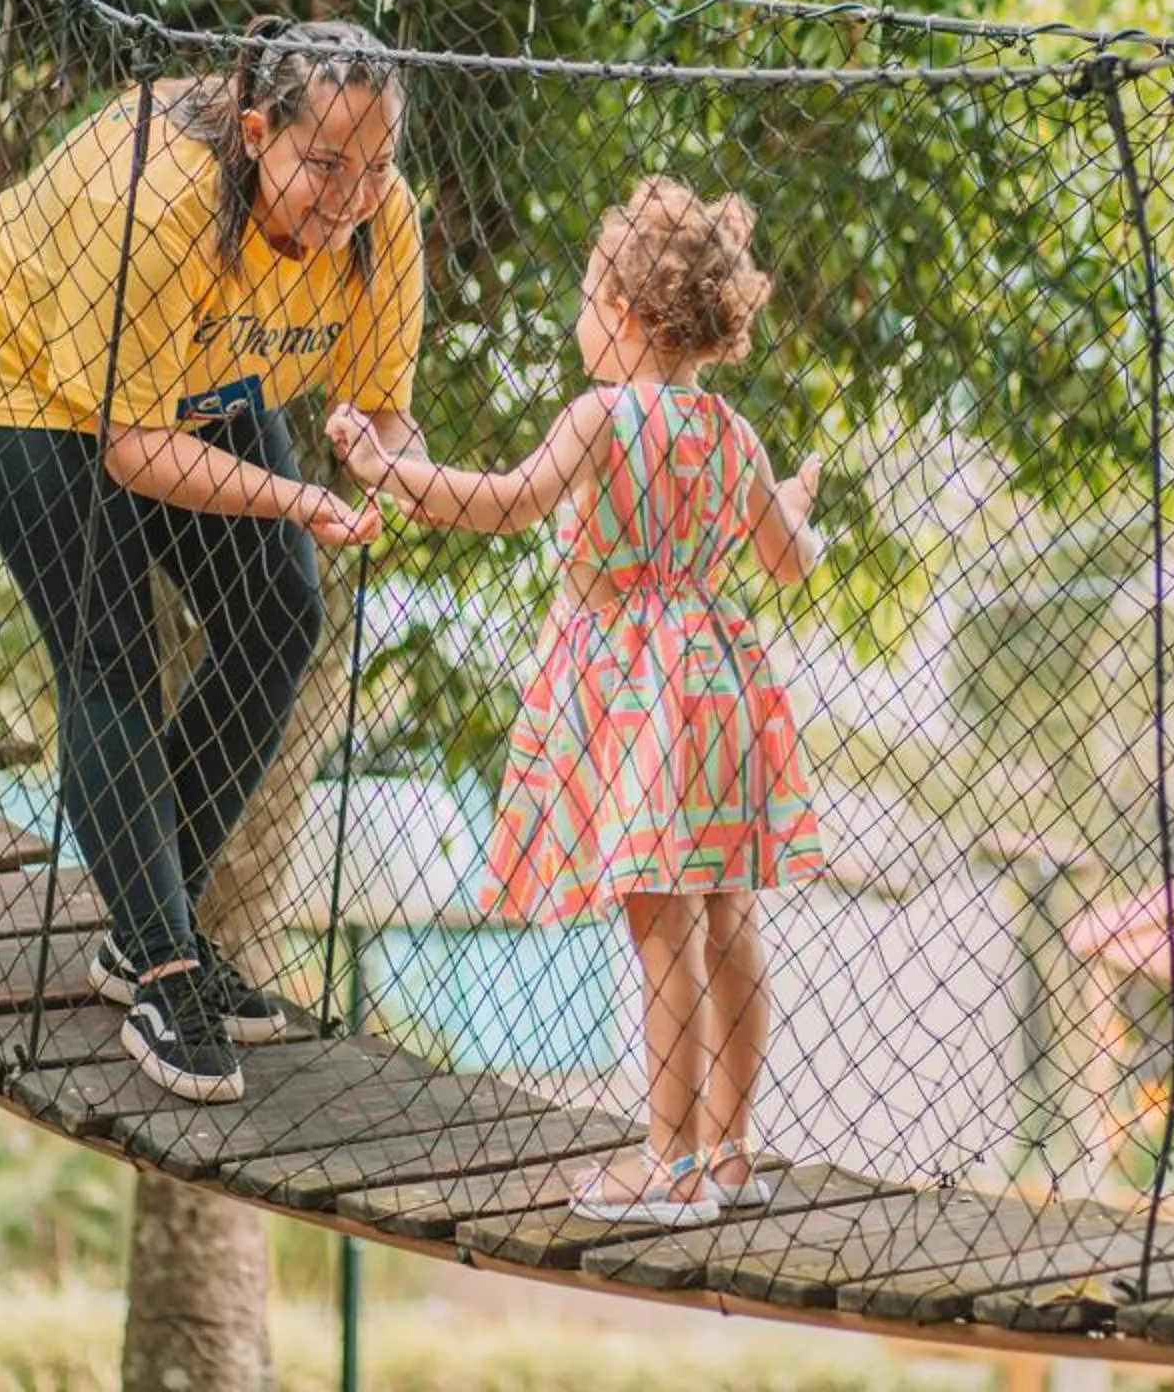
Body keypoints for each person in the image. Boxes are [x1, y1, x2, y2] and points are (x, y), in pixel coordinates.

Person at [0, 17, 426, 1104]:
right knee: (110, 646)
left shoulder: (382, 219)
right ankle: (163, 968)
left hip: (197, 378)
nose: (351, 196)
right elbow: (134, 451)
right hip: (17, 380)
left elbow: (383, 413)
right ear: (256, 135)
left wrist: (416, 477)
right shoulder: (161, 209)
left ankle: (154, 929)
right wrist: (300, 496)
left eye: (376, 166)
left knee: (282, 611)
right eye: (324, 165)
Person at [328, 175, 826, 1223]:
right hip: (720, 684)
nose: (578, 322)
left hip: (639, 696)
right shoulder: (732, 433)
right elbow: (786, 561)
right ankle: (731, 1151)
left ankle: (668, 1164)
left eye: (589, 297)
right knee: (729, 913)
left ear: (628, 312)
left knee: (662, 927)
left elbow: (506, 504)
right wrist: (794, 508)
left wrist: (387, 469)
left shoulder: (601, 417)